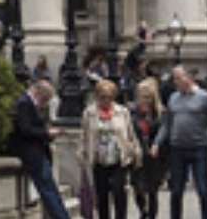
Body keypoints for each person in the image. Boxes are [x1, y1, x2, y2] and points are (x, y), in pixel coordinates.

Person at [151, 67, 207, 219]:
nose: (176, 82)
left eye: (178, 78)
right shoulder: (173, 98)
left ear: (189, 78)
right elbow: (167, 124)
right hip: (177, 148)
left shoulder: (205, 97)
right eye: (174, 79)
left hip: (198, 148)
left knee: (203, 190)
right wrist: (156, 143)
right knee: (176, 191)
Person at [79, 79, 141, 219]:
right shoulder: (89, 112)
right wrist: (82, 155)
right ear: (97, 96)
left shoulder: (122, 111)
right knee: (102, 195)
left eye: (109, 97)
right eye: (102, 97)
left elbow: (130, 133)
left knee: (119, 192)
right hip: (98, 159)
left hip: (119, 158)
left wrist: (135, 152)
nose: (105, 100)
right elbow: (84, 135)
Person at [14, 79, 70, 219]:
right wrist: (47, 133)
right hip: (32, 154)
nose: (44, 104)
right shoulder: (24, 103)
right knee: (48, 190)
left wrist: (48, 134)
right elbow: (25, 130)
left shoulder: (29, 104)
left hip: (39, 152)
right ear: (38, 93)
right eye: (45, 99)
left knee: (51, 190)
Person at [130, 78, 166, 219]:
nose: (144, 100)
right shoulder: (132, 112)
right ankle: (143, 211)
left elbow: (163, 131)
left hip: (154, 156)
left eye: (147, 97)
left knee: (152, 190)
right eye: (141, 96)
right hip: (137, 155)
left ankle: (151, 215)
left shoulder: (160, 113)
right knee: (137, 187)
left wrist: (156, 145)